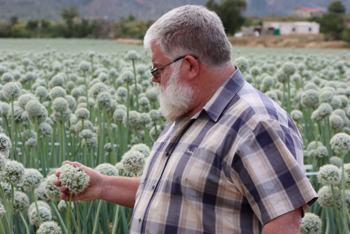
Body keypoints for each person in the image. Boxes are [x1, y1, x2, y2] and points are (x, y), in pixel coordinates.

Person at [55, 5, 318, 234]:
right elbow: (170, 193)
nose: (153, 78)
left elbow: (283, 224)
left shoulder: (256, 123)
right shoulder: (189, 110)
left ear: (190, 66)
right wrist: (103, 185)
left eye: (158, 69)